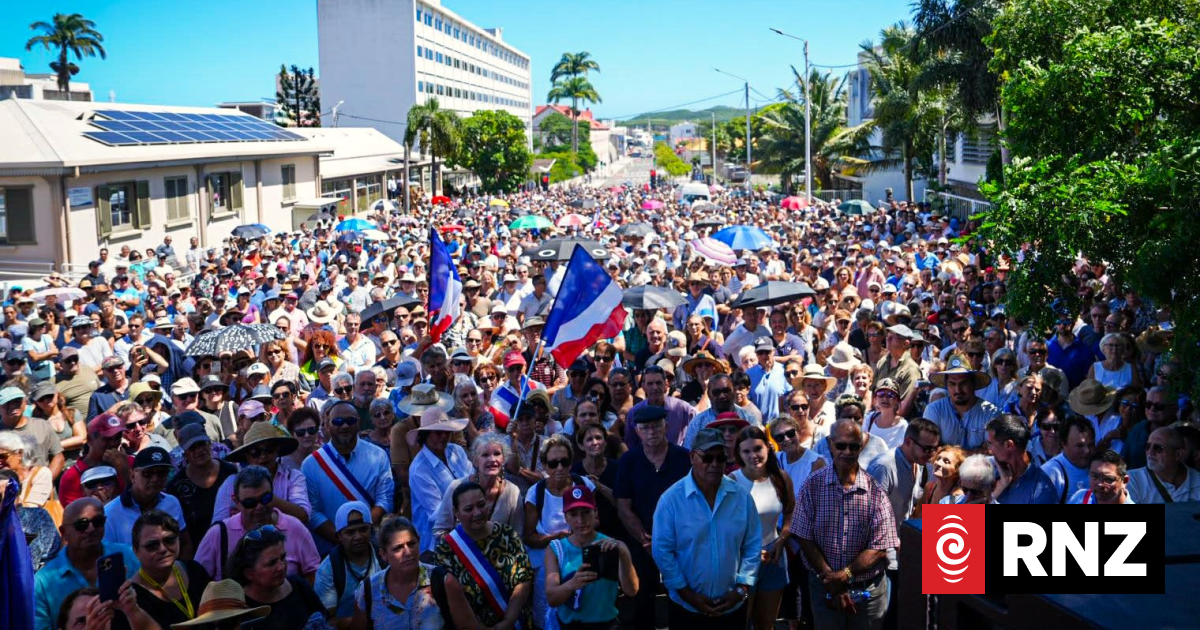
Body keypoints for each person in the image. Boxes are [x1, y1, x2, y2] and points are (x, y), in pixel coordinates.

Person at [791, 419, 898, 630]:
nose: (847, 452)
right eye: (841, 445)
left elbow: (879, 547)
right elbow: (803, 535)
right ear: (831, 444)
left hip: (867, 592)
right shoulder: (813, 485)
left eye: (854, 446)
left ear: (861, 447)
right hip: (823, 586)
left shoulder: (876, 492)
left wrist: (844, 574)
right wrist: (831, 580)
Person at [652, 427, 760, 629]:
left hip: (732, 607)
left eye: (721, 458)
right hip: (686, 609)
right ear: (692, 457)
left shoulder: (742, 497)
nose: (715, 464)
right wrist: (687, 594)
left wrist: (741, 589)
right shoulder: (671, 500)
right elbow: (662, 551)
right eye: (708, 458)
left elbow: (752, 545)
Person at [615, 405, 691, 630]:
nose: (651, 432)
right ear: (637, 431)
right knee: (641, 602)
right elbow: (623, 506)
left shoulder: (684, 458)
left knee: (682, 596)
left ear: (666, 427)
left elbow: (693, 503)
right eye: (645, 428)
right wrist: (645, 539)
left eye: (656, 426)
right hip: (642, 542)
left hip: (680, 541)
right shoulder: (628, 461)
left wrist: (669, 541)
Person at [435, 481, 534, 630]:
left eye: (481, 505)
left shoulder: (507, 534)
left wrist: (508, 621)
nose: (477, 513)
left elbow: (524, 579)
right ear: (456, 513)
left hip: (516, 623)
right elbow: (452, 601)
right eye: (469, 509)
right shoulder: (446, 550)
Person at [194, 466, 319, 582]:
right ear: (236, 502)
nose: (259, 507)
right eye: (250, 503)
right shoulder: (219, 534)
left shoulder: (295, 528)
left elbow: (314, 575)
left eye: (265, 498)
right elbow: (197, 580)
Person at [34, 498, 141, 630]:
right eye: (81, 524)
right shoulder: (42, 584)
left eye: (98, 521)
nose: (91, 529)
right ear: (64, 532)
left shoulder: (128, 556)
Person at [524, 433, 596, 625]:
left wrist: (578, 532)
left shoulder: (584, 485)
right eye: (553, 463)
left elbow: (597, 519)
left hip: (581, 560)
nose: (560, 468)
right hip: (547, 567)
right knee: (547, 616)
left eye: (564, 462)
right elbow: (529, 537)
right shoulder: (536, 493)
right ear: (544, 465)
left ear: (571, 463)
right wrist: (557, 539)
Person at [544, 484, 638, 630]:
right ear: (566, 517)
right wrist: (572, 583)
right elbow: (552, 598)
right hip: (570, 626)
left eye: (586, 512)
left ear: (595, 512)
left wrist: (624, 556)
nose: (581, 520)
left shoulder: (611, 546)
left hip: (606, 625)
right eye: (573, 514)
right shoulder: (556, 549)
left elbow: (632, 590)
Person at [303, 400, 394, 546]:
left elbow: (385, 499)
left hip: (369, 544)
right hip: (330, 547)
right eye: (337, 421)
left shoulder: (378, 455)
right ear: (327, 425)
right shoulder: (311, 464)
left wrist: (360, 534)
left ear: (359, 423)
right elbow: (312, 512)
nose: (344, 426)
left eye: (350, 421)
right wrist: (342, 541)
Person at [731, 426, 794, 630]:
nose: (753, 456)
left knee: (766, 624)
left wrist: (782, 539)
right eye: (746, 451)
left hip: (774, 558)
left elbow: (790, 513)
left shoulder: (781, 478)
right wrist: (747, 552)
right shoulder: (732, 482)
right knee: (741, 622)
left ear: (768, 447)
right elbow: (724, 527)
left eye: (757, 448)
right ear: (739, 454)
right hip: (741, 561)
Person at [113, 510, 212, 630]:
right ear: (136, 550)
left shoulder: (195, 571)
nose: (163, 549)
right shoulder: (129, 599)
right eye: (152, 546)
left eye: (169, 540)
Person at [350, 514, 442, 628]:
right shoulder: (369, 590)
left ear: (419, 542)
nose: (408, 552)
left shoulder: (440, 580)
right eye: (398, 548)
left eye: (411, 544)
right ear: (384, 554)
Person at [229, 525, 326, 629]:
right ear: (249, 573)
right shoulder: (236, 607)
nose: (281, 566)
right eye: (271, 563)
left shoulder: (300, 587)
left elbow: (326, 621)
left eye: (283, 557)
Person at [212, 422, 310, 524]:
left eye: (269, 449)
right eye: (255, 452)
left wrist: (268, 498)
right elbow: (218, 525)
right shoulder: (231, 483)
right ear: (247, 456)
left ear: (277, 450)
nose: (263, 456)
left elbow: (304, 516)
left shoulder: (293, 477)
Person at [433, 432, 525, 539]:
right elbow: (440, 530)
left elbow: (517, 535)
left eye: (497, 454)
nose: (492, 459)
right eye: (485, 455)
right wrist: (460, 546)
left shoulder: (513, 492)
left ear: (503, 459)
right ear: (475, 461)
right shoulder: (457, 487)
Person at [103, 447, 191, 556]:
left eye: (162, 473)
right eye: (147, 473)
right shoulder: (109, 514)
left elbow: (185, 542)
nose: (155, 479)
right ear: (132, 475)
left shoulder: (172, 502)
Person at [407, 407, 472, 553]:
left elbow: (474, 480)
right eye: (438, 432)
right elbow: (436, 514)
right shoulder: (419, 470)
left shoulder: (456, 451)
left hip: (466, 529)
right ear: (425, 435)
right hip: (435, 543)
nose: (443, 436)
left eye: (447, 432)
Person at [314, 502, 383, 627]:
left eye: (363, 529)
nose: (358, 537)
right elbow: (327, 622)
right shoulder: (328, 570)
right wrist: (365, 621)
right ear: (339, 536)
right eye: (350, 532)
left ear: (371, 530)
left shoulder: (384, 557)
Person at [165, 420, 237, 539]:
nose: (199, 450)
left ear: (210, 444)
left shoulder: (230, 471)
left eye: (202, 444)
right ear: (185, 454)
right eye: (192, 448)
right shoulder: (177, 486)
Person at [922, 354, 999, 450]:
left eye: (963, 383)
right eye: (952, 384)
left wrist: (949, 452)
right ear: (946, 385)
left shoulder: (990, 413)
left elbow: (993, 450)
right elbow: (929, 449)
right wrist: (977, 451)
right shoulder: (934, 410)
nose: (958, 390)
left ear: (973, 383)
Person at [984, 414, 1058, 504]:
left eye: (990, 444)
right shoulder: (986, 468)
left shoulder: (1041, 491)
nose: (989, 450)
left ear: (1008, 445)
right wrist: (997, 490)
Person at [0, 386, 64, 478]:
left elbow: (58, 457)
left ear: (25, 402)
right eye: (7, 403)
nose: (13, 406)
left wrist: (45, 480)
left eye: (17, 401)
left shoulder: (42, 425)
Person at [626, 365, 695, 449]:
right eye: (650, 384)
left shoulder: (683, 408)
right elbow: (631, 445)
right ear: (643, 386)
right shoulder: (634, 413)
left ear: (666, 384)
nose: (655, 387)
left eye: (658, 383)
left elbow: (697, 429)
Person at [1127, 426, 1200, 503]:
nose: (1150, 452)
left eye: (1158, 448)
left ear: (1178, 454)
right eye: (1147, 446)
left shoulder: (1197, 480)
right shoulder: (1130, 480)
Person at [1042, 416, 1098, 504]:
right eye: (1080, 446)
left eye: (1091, 445)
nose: (1087, 450)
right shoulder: (1050, 473)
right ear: (1064, 444)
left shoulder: (1100, 468)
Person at [747, 337, 791, 423]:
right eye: (760, 353)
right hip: (757, 425)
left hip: (779, 424)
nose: (764, 356)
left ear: (773, 351)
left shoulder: (784, 371)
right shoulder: (749, 374)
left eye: (767, 352)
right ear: (756, 354)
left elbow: (790, 397)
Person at [1068, 450, 1136, 504]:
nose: (1100, 484)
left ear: (1124, 481)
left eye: (1108, 479)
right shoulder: (1080, 498)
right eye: (1095, 476)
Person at [915, 446, 966, 513]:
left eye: (946, 461)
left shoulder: (958, 497)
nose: (938, 463)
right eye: (938, 458)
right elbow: (917, 514)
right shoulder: (929, 487)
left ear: (957, 470)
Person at [865, 378, 908, 449]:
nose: (885, 399)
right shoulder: (869, 419)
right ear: (875, 399)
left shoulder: (903, 426)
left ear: (897, 401)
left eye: (890, 394)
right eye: (881, 394)